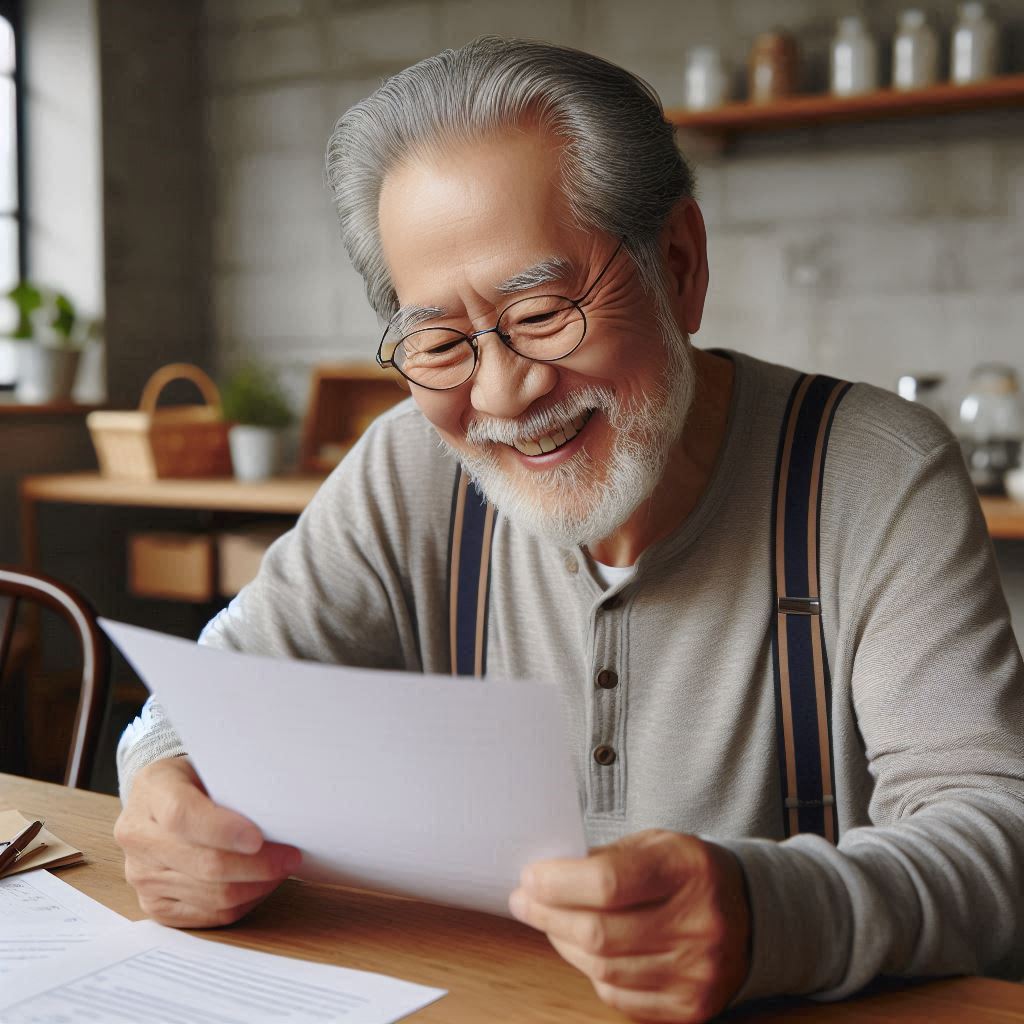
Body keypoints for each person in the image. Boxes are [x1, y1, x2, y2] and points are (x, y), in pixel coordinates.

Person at [114, 37, 1024, 1022]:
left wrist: (771, 915)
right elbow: (211, 687)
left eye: (544, 311)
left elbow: (996, 832)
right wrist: (165, 782)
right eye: (439, 341)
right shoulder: (408, 464)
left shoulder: (874, 473)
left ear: (678, 266)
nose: (502, 392)